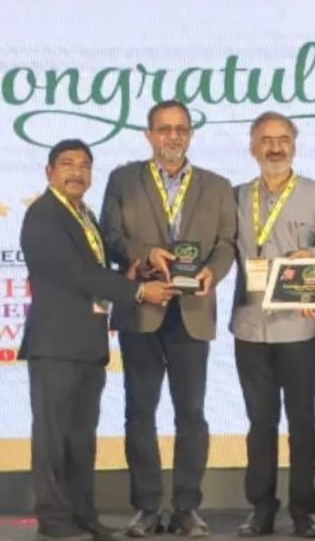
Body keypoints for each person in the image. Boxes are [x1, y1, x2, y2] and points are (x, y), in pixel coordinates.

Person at [20, 139, 174, 541]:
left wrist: (132, 274)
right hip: (56, 344)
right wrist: (137, 292)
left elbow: (97, 271)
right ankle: (54, 521)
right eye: (67, 164)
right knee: (53, 439)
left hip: (87, 344)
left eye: (85, 165)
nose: (77, 172)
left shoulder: (84, 215)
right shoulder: (44, 214)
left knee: (81, 440)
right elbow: (76, 273)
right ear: (49, 171)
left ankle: (84, 516)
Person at [100, 100, 237, 538]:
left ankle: (186, 508)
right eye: (163, 129)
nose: (172, 136)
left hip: (192, 311)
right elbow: (110, 236)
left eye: (180, 128)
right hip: (142, 307)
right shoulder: (123, 180)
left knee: (191, 414)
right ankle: (146, 508)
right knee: (140, 412)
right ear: (149, 135)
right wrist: (144, 255)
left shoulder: (217, 186)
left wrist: (212, 272)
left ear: (190, 134)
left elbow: (226, 244)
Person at [230, 111, 315, 538]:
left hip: (301, 327)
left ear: (294, 145)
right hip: (250, 326)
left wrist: (313, 257)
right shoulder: (234, 197)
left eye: (283, 139)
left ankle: (304, 511)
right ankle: (261, 509)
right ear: (252, 146)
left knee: (303, 422)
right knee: (260, 424)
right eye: (266, 140)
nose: (275, 147)